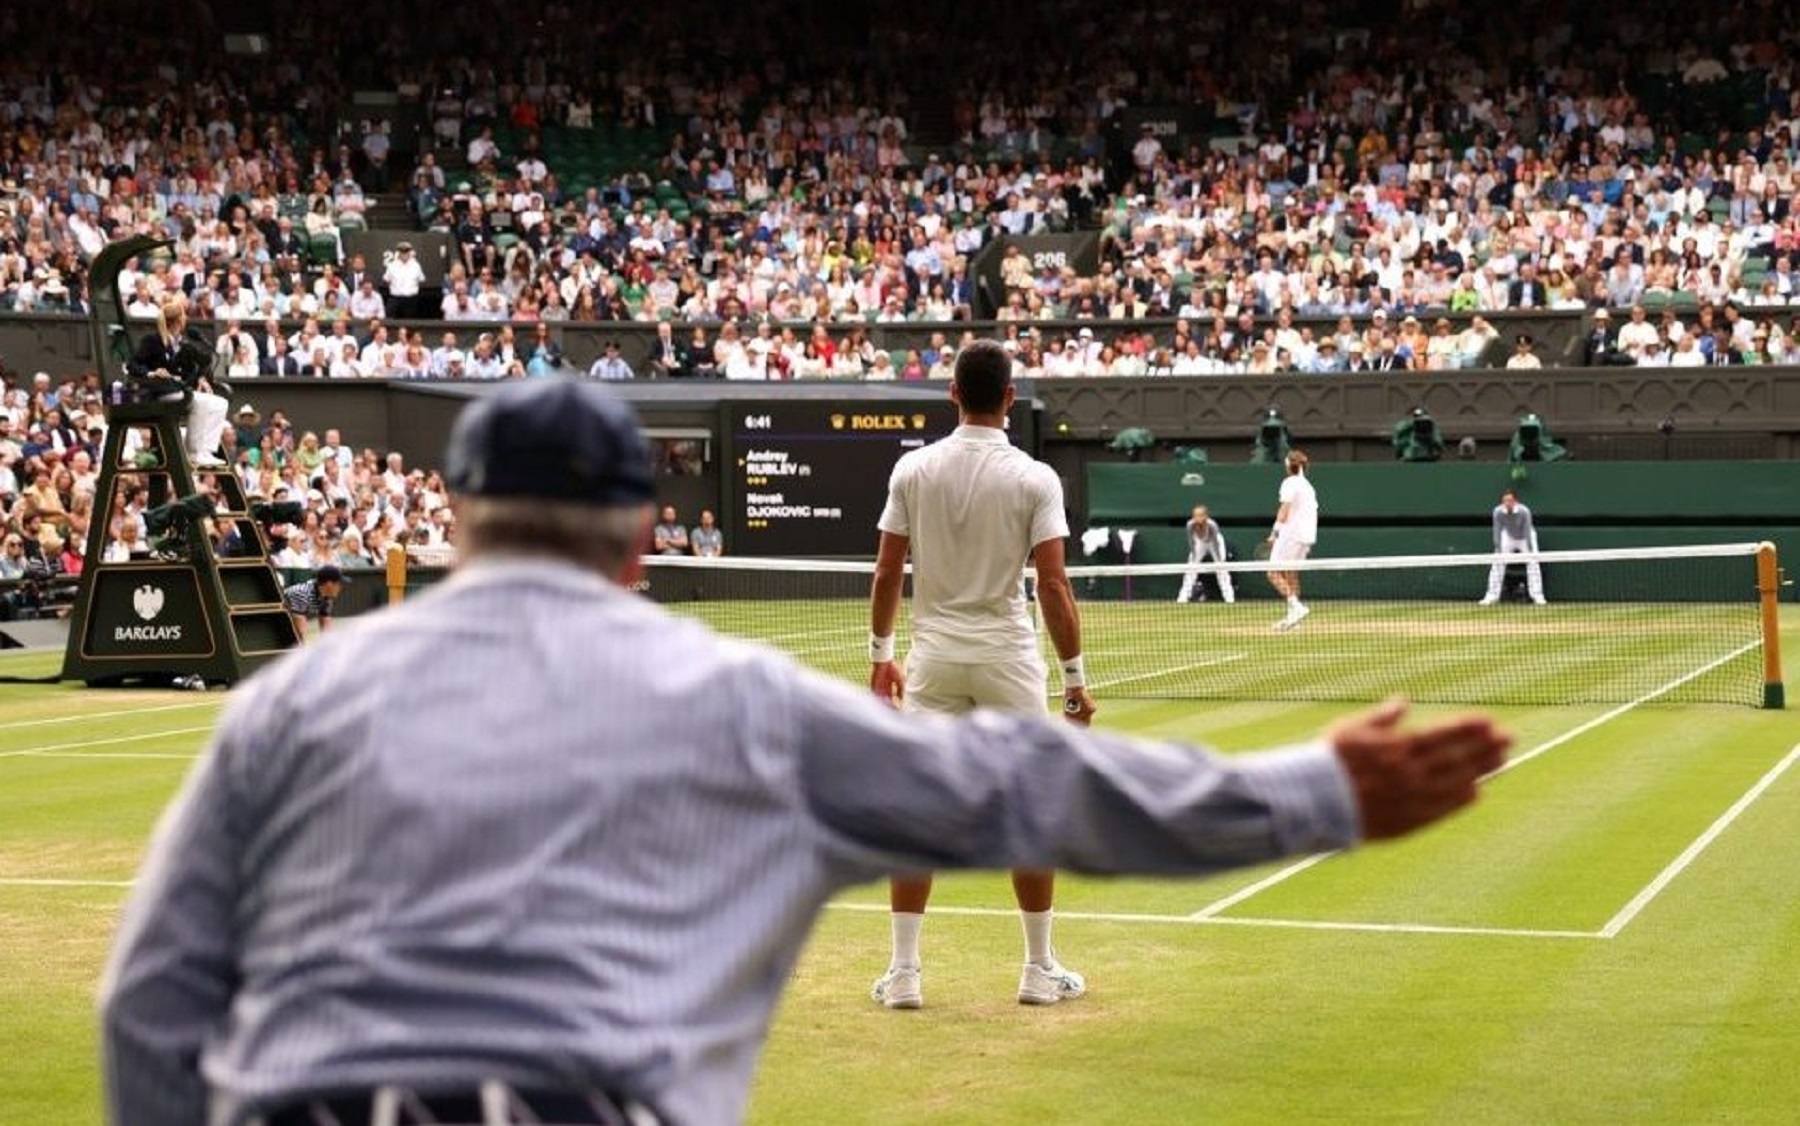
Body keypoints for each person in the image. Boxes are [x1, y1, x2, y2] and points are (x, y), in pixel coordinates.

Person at [100, 378, 1510, 1126]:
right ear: (647, 534)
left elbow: (150, 1006)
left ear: (457, 521)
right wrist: (1310, 791)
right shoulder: (738, 704)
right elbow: (1027, 787)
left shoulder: (290, 702)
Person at [867, 339, 1097, 1010]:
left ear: (952, 395)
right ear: (1010, 399)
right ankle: (1038, 969)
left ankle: (905, 976)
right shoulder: (1034, 478)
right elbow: (1053, 587)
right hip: (1008, 659)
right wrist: (1075, 680)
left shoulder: (914, 471)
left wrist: (882, 658)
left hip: (933, 660)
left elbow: (887, 572)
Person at [127, 297, 230, 467]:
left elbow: (193, 368)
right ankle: (193, 451)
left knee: (220, 403)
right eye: (183, 316)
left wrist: (201, 378)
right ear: (178, 320)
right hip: (159, 392)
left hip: (179, 390)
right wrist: (152, 373)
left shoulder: (183, 344)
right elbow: (132, 364)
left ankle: (206, 451)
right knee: (200, 403)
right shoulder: (152, 340)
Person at [1265, 449, 1318, 631]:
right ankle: (1294, 619)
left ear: (1288, 466)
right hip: (1307, 536)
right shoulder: (1308, 486)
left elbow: (1284, 509)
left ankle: (1296, 607)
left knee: (1272, 572)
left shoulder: (1290, 483)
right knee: (1291, 573)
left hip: (1291, 534)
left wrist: (1275, 532)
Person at [1479, 489, 1547, 606]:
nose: (1507, 503)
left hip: (1526, 537)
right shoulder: (1498, 512)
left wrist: (1530, 550)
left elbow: (1526, 530)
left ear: (1515, 501)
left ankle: (1537, 596)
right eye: (1505, 500)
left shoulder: (1524, 511)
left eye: (1510, 500)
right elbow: (1497, 530)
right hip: (1509, 537)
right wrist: (1498, 548)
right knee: (1497, 563)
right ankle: (1491, 596)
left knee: (1533, 563)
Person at [1176, 504, 1235, 604]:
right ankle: (1183, 598)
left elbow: (1215, 543)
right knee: (1191, 568)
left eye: (1200, 515)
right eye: (1195, 515)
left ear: (1206, 516)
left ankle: (1229, 598)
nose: (1198, 518)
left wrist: (1219, 561)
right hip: (1199, 543)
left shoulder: (1212, 525)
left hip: (1214, 543)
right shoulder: (1190, 525)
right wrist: (1194, 556)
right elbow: (1191, 541)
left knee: (1221, 569)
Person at [281, 562, 347, 639]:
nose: (341, 587)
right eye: (339, 584)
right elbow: (299, 632)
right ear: (329, 584)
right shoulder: (301, 593)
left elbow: (326, 626)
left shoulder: (326, 597)